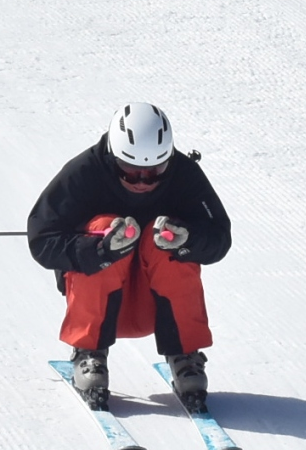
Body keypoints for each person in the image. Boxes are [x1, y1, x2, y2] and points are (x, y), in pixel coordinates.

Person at [27, 102, 231, 413]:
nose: (142, 182)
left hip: (154, 303)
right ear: (113, 157)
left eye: (155, 172)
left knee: (167, 238)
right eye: (130, 171)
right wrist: (98, 250)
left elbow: (219, 237)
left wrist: (188, 240)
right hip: (103, 299)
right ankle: (89, 352)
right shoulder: (83, 173)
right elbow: (42, 239)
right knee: (105, 225)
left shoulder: (184, 175)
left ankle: (185, 355)